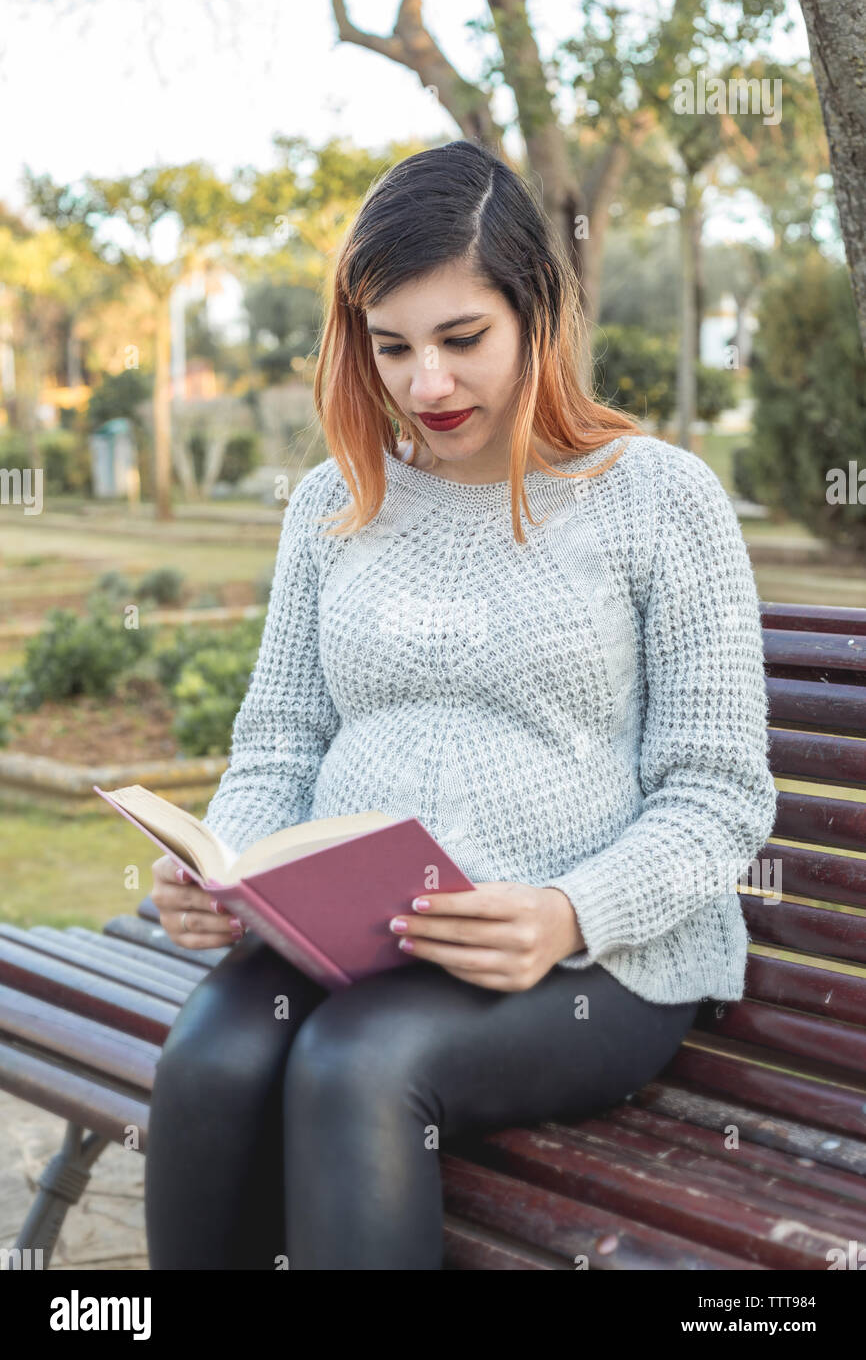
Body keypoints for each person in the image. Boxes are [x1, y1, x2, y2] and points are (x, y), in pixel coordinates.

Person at [144, 139, 778, 1271]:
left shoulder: (655, 501)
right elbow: (281, 738)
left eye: (460, 339)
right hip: (356, 947)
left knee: (355, 1066)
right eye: (392, 347)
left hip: (589, 965)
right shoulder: (335, 503)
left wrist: (569, 911)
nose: (423, 383)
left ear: (537, 314)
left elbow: (717, 792)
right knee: (210, 1058)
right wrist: (222, 866)